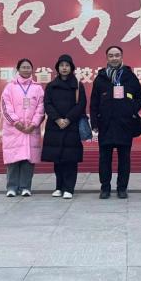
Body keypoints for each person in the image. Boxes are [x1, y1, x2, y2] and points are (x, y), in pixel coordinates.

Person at [90, 45, 141, 199]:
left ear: (122, 57)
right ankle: (105, 188)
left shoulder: (129, 77)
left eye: (117, 55)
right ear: (107, 58)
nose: (114, 58)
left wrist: (131, 110)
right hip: (105, 124)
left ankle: (122, 188)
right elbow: (94, 103)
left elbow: (140, 97)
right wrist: (95, 123)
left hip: (124, 124)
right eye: (111, 55)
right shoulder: (100, 78)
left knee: (124, 159)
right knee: (104, 159)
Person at [41, 54, 87, 199]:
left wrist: (67, 119)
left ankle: (69, 188)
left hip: (71, 125)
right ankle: (59, 187)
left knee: (70, 159)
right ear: (58, 68)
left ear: (71, 68)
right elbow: (47, 104)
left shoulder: (78, 85)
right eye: (62, 65)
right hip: (55, 126)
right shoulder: (51, 86)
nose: (64, 68)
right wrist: (57, 119)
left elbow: (81, 104)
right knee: (58, 158)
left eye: (67, 65)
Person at [0, 59, 45, 197]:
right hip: (14, 130)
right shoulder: (10, 87)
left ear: (32, 69)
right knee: (13, 160)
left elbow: (41, 108)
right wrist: (16, 123)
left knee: (28, 160)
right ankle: (11, 187)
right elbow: (5, 107)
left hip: (31, 130)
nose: (26, 69)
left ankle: (26, 187)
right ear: (18, 69)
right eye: (23, 67)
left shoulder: (37, 88)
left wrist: (33, 124)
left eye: (28, 67)